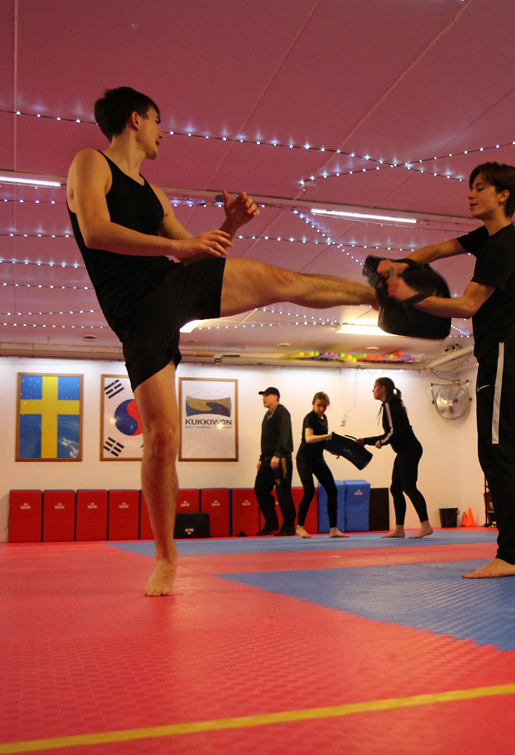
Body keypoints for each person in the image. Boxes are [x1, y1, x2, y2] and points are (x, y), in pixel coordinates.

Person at [67, 87, 377, 595]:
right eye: (158, 120)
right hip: (137, 313)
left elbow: (193, 252)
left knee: (282, 280)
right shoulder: (90, 163)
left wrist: (228, 225)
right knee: (162, 438)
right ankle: (165, 557)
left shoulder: (153, 192)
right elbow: (96, 231)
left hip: (172, 283)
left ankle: (379, 295)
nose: (163, 132)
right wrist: (177, 245)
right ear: (135, 119)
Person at [377, 162, 515, 577]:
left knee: (495, 451)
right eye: (471, 187)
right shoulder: (486, 238)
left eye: (480, 187)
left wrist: (408, 296)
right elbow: (437, 251)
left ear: (503, 195)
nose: (470, 193)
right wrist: (401, 263)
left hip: (504, 355)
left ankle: (510, 556)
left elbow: (468, 305)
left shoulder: (505, 245)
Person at [357, 377, 432, 539]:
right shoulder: (391, 403)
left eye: (375, 387)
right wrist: (366, 441)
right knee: (396, 489)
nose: (373, 390)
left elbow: (393, 431)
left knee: (409, 487)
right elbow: (391, 432)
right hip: (405, 450)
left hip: (409, 449)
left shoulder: (390, 404)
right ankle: (399, 529)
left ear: (383, 388)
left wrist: (382, 442)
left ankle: (426, 525)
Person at [295, 391, 346, 539]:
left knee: (332, 490)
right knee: (309, 491)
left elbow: (321, 441)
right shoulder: (309, 417)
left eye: (324, 406)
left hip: (318, 460)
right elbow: (309, 438)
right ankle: (300, 526)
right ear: (313, 404)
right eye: (319, 405)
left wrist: (332, 450)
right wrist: (328, 436)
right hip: (304, 459)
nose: (321, 409)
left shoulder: (324, 418)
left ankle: (333, 529)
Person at [255, 387, 296, 537]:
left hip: (281, 458)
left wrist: (278, 455)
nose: (263, 398)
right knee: (260, 489)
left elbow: (284, 434)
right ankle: (271, 523)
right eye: (263, 396)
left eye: (266, 395)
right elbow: (266, 439)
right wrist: (262, 458)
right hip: (268, 459)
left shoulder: (282, 412)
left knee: (283, 492)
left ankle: (289, 526)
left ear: (275, 397)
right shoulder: (268, 415)